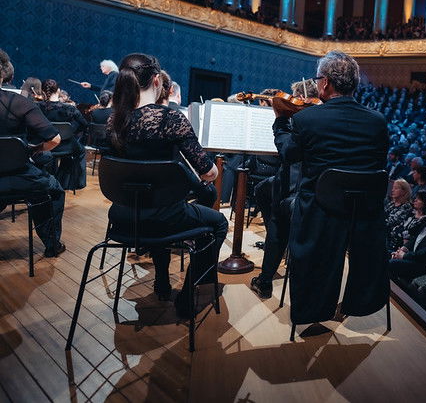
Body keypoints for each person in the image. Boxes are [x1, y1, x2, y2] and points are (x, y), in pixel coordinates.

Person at [259, 51, 389, 325]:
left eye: (318, 79)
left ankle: (311, 307)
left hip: (322, 213)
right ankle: (359, 302)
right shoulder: (378, 121)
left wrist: (281, 122)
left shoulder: (309, 120)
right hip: (365, 214)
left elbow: (289, 154)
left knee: (281, 208)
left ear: (326, 83)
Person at [106, 53, 228, 317]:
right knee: (218, 223)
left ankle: (161, 279)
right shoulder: (170, 119)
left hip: (123, 216)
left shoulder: (113, 122)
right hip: (164, 217)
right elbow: (209, 172)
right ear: (157, 80)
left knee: (157, 201)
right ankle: (189, 292)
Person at [250, 79, 318, 299]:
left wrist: (281, 120)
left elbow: (288, 151)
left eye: (295, 97)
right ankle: (277, 236)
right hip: (313, 182)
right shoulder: (319, 115)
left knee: (278, 217)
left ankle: (266, 279)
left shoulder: (302, 117)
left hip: (296, 180)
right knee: (262, 189)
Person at [0, 49, 66, 257]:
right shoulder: (20, 103)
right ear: (3, 72)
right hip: (17, 175)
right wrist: (33, 150)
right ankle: (51, 244)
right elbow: (54, 139)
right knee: (53, 189)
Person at [38, 79, 88, 191]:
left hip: (45, 145)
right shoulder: (69, 108)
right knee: (80, 151)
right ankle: (67, 181)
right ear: (59, 90)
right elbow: (84, 124)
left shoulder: (38, 106)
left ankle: (45, 178)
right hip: (66, 145)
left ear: (43, 91)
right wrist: (70, 132)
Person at [384, 179, 413, 251]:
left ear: (404, 191)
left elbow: (389, 222)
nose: (392, 190)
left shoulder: (406, 207)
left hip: (393, 239)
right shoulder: (391, 204)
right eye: (393, 188)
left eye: (396, 188)